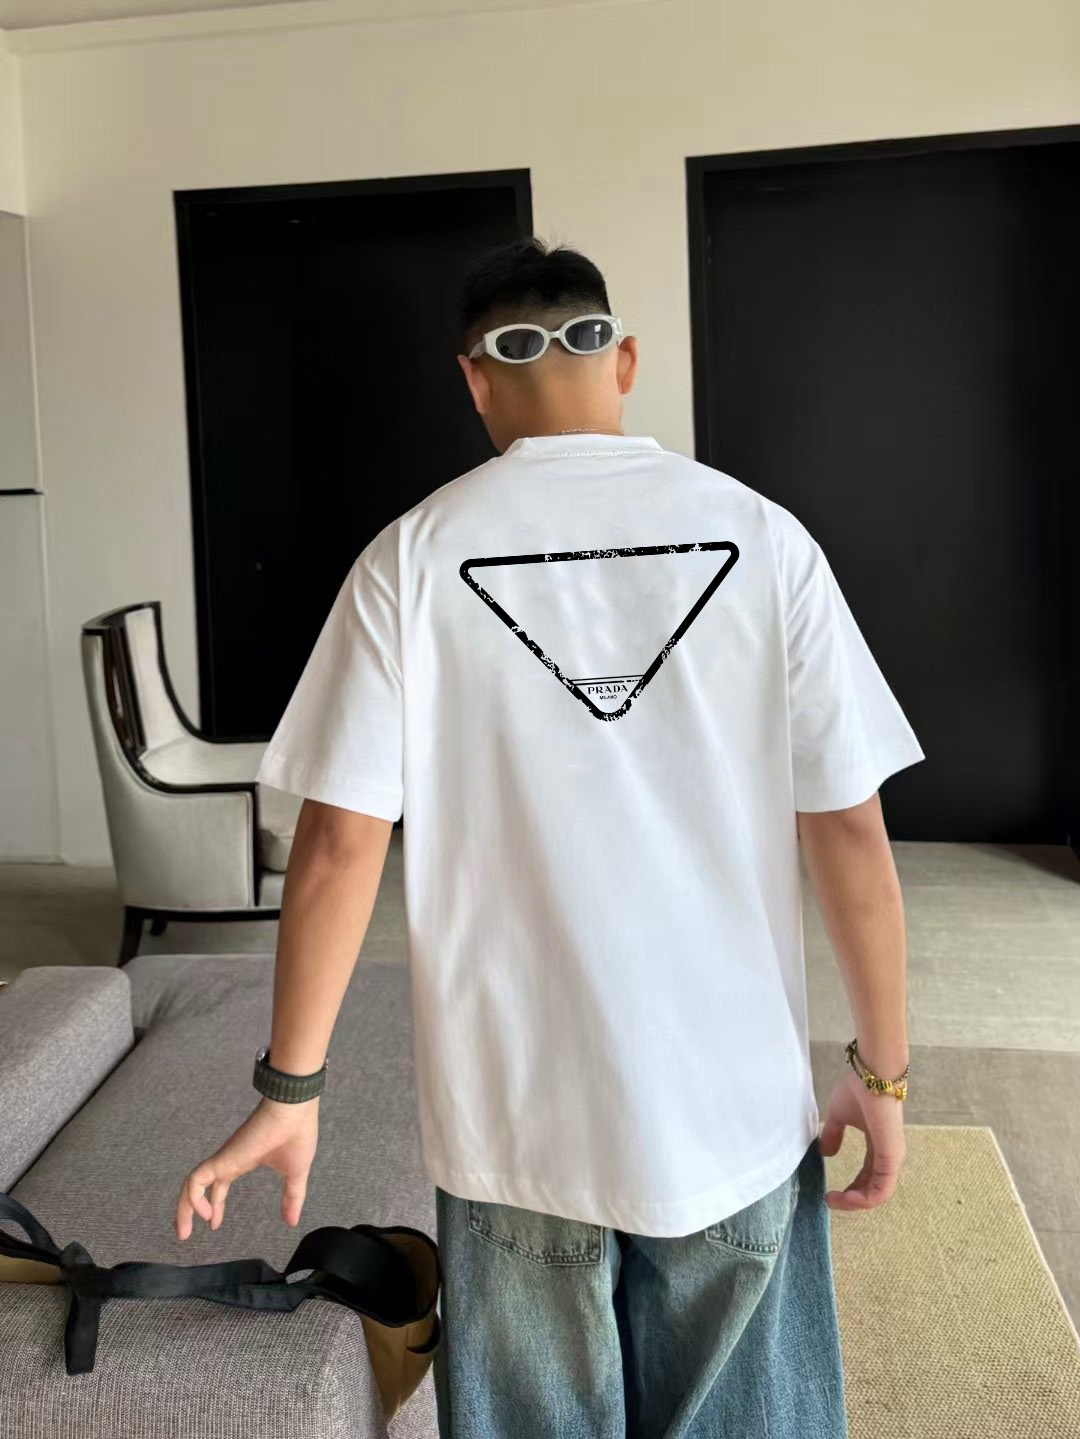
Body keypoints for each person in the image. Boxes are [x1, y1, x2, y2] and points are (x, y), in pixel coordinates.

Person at [176, 235, 924, 1438]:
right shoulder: (764, 536)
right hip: (730, 1109)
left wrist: (291, 1089)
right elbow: (849, 830)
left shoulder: (411, 556)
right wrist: (881, 1072)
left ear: (474, 381)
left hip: (512, 1126)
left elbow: (337, 847)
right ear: (624, 359)